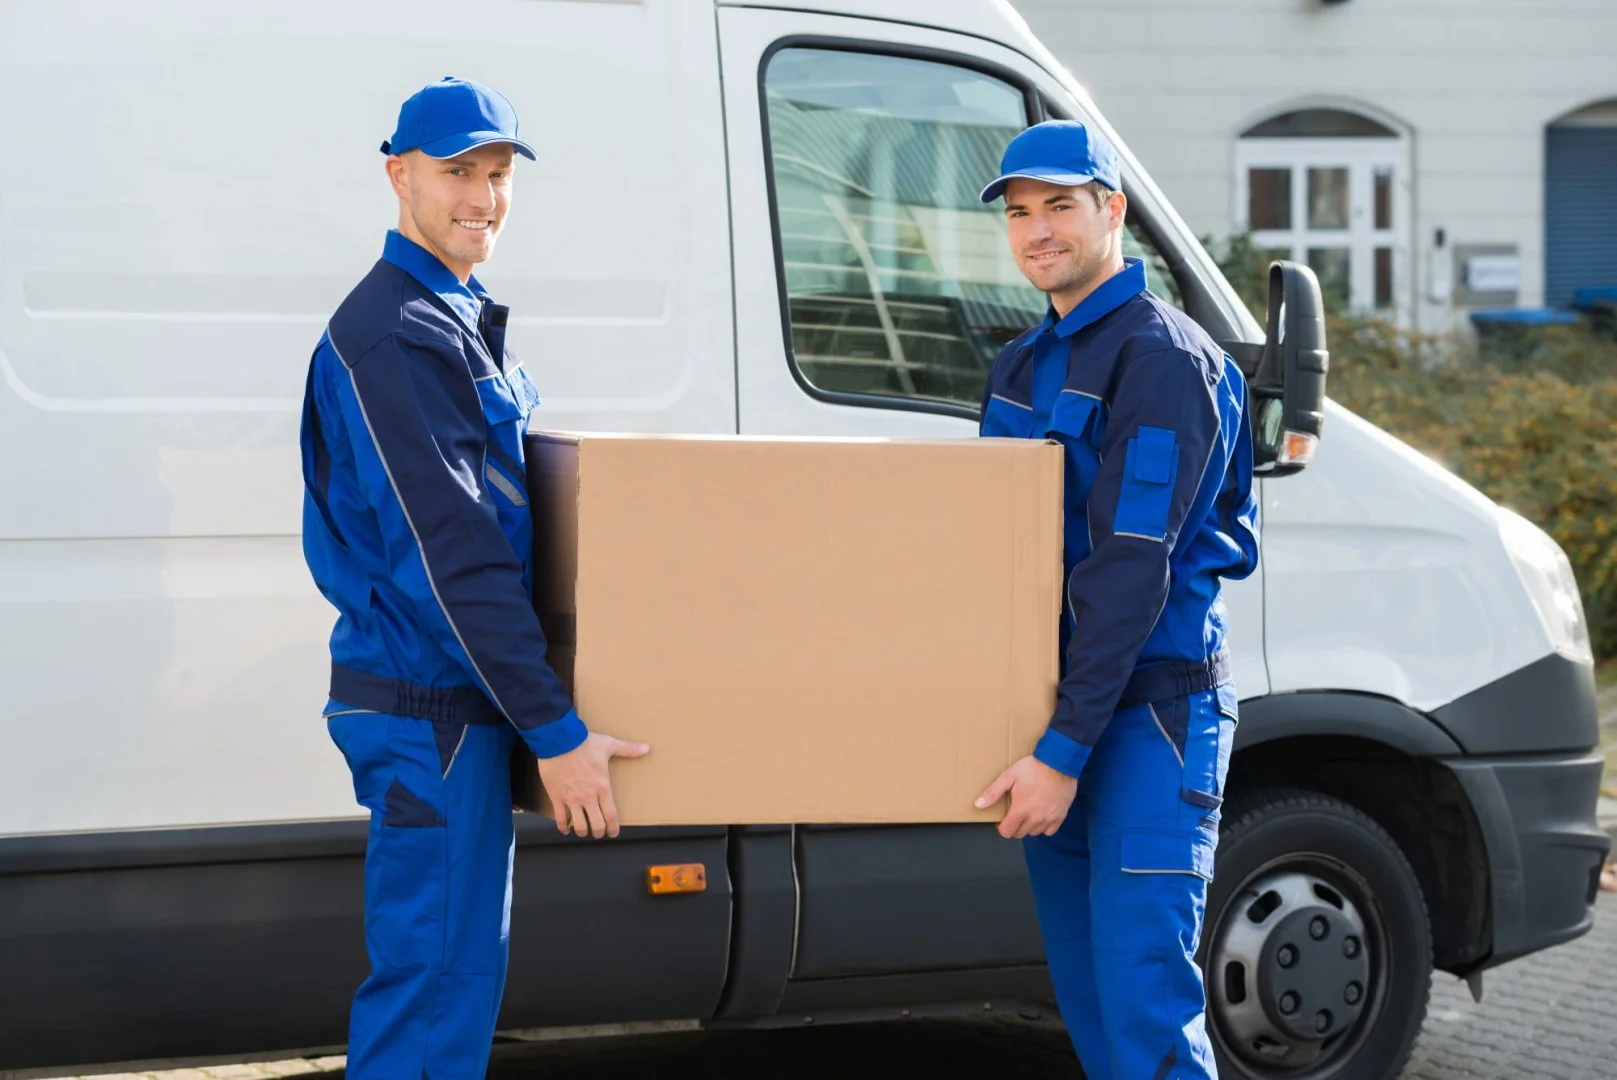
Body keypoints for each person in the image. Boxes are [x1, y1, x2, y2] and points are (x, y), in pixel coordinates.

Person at [298, 76, 648, 1079]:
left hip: (456, 708)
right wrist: (558, 732)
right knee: (433, 996)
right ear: (397, 174)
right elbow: (455, 563)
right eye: (459, 173)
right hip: (433, 712)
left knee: (452, 985)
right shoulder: (395, 338)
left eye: (498, 175)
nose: (484, 198)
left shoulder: (448, 319)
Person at [972, 119, 1261, 1079]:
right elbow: (992, 552)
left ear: (1112, 211)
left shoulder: (1163, 362)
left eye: (1059, 205)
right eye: (1018, 213)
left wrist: (1062, 749)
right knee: (1092, 1007)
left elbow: (1129, 571)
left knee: (1143, 1006)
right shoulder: (1020, 365)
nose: (1036, 230)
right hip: (1058, 719)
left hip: (1147, 719)